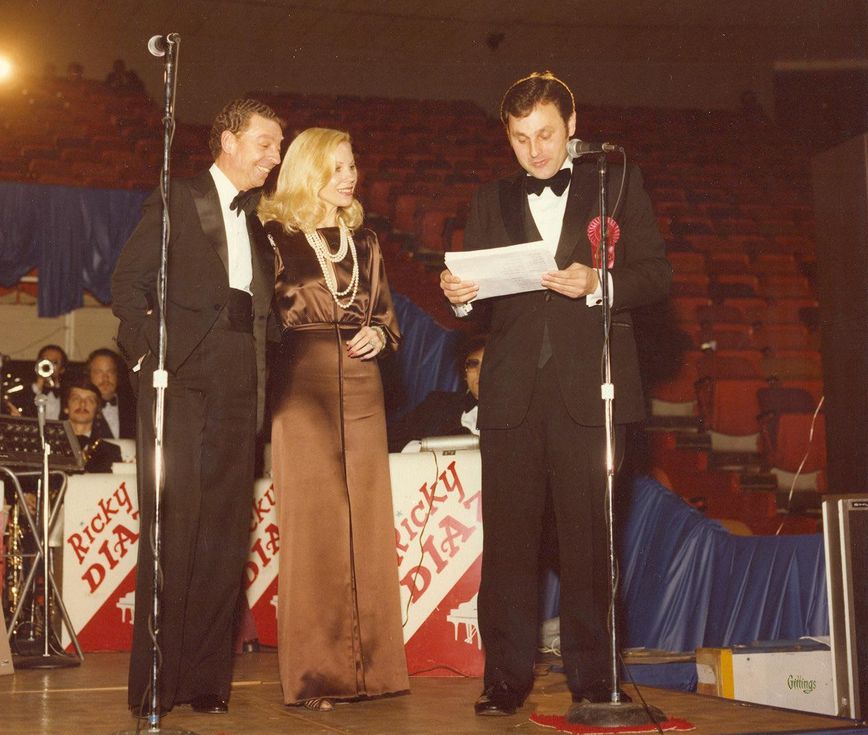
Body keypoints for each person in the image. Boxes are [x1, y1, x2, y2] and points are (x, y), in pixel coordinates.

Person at [439, 71, 671, 715]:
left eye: (546, 134)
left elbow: (654, 275)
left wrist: (597, 279)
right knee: (509, 543)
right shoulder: (490, 198)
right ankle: (504, 680)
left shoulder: (619, 185)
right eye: (520, 139)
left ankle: (595, 676)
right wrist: (460, 296)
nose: (536, 151)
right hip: (511, 392)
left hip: (589, 390)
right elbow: (478, 283)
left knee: (588, 542)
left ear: (573, 125)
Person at [111, 98, 283, 717]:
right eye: (265, 143)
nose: (274, 157)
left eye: (279, 147)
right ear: (229, 140)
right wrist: (147, 364)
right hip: (177, 384)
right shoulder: (177, 197)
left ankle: (208, 683)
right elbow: (128, 286)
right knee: (172, 534)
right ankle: (158, 683)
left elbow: (264, 315)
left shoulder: (261, 221)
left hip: (242, 384)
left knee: (223, 539)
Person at [258, 127, 409, 711]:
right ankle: (317, 675)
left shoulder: (365, 239)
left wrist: (380, 332)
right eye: (338, 165)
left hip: (365, 384)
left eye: (353, 164)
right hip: (303, 383)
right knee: (315, 529)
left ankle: (374, 672)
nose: (351, 175)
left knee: (366, 525)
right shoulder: (273, 236)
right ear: (309, 169)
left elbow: (389, 317)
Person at [387, 334, 486, 452]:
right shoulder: (436, 404)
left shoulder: (512, 414)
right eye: (473, 364)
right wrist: (426, 450)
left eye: (488, 364)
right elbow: (390, 439)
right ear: (465, 373)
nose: (480, 372)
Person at [60, 375, 122, 473]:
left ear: (97, 411)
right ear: (65, 407)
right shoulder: (49, 447)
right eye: (76, 399)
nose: (82, 404)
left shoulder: (111, 452)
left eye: (90, 400)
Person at [85, 348, 135, 439]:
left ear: (117, 375)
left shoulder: (133, 407)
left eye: (110, 372)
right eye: (98, 372)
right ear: (89, 375)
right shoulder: (82, 406)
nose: (105, 378)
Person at [18, 344, 67, 419]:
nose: (49, 365)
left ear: (62, 369)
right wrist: (37, 387)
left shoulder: (67, 393)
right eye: (45, 361)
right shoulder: (25, 392)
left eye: (55, 362)